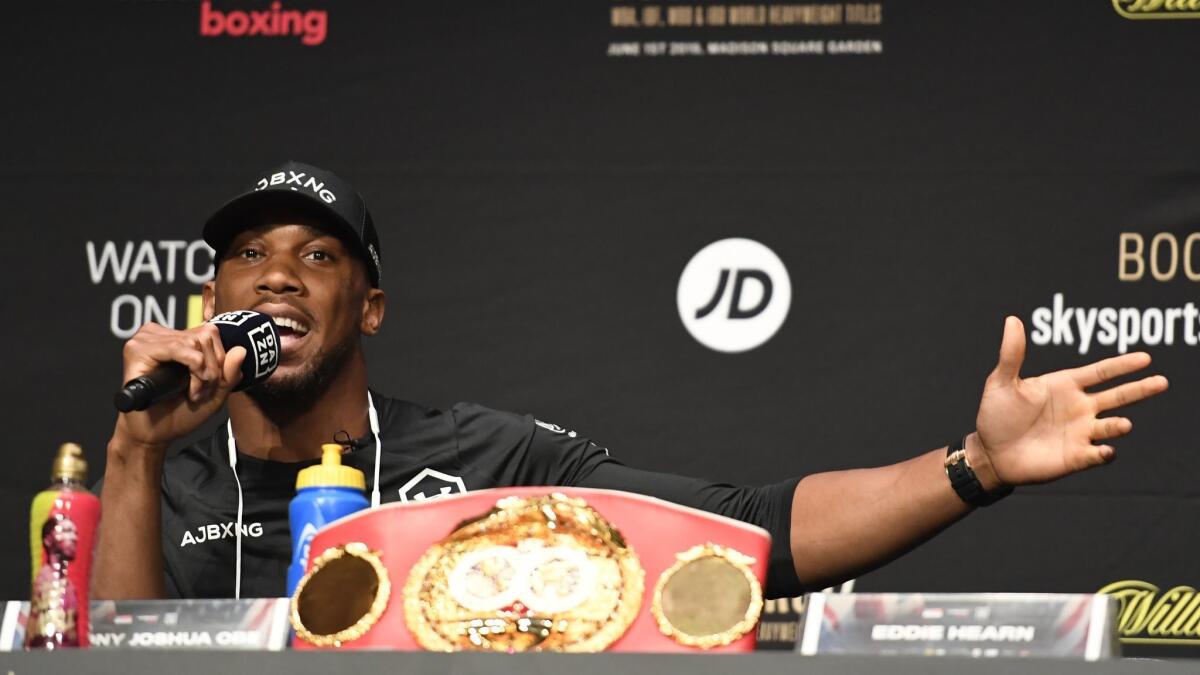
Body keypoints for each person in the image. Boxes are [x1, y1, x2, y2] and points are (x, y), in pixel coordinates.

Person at [93, 161, 1168, 600]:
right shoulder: (164, 481)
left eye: (318, 255)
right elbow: (107, 670)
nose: (277, 272)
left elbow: (754, 530)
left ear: (370, 307)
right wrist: (136, 453)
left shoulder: (487, 459)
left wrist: (975, 466)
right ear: (210, 295)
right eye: (249, 254)